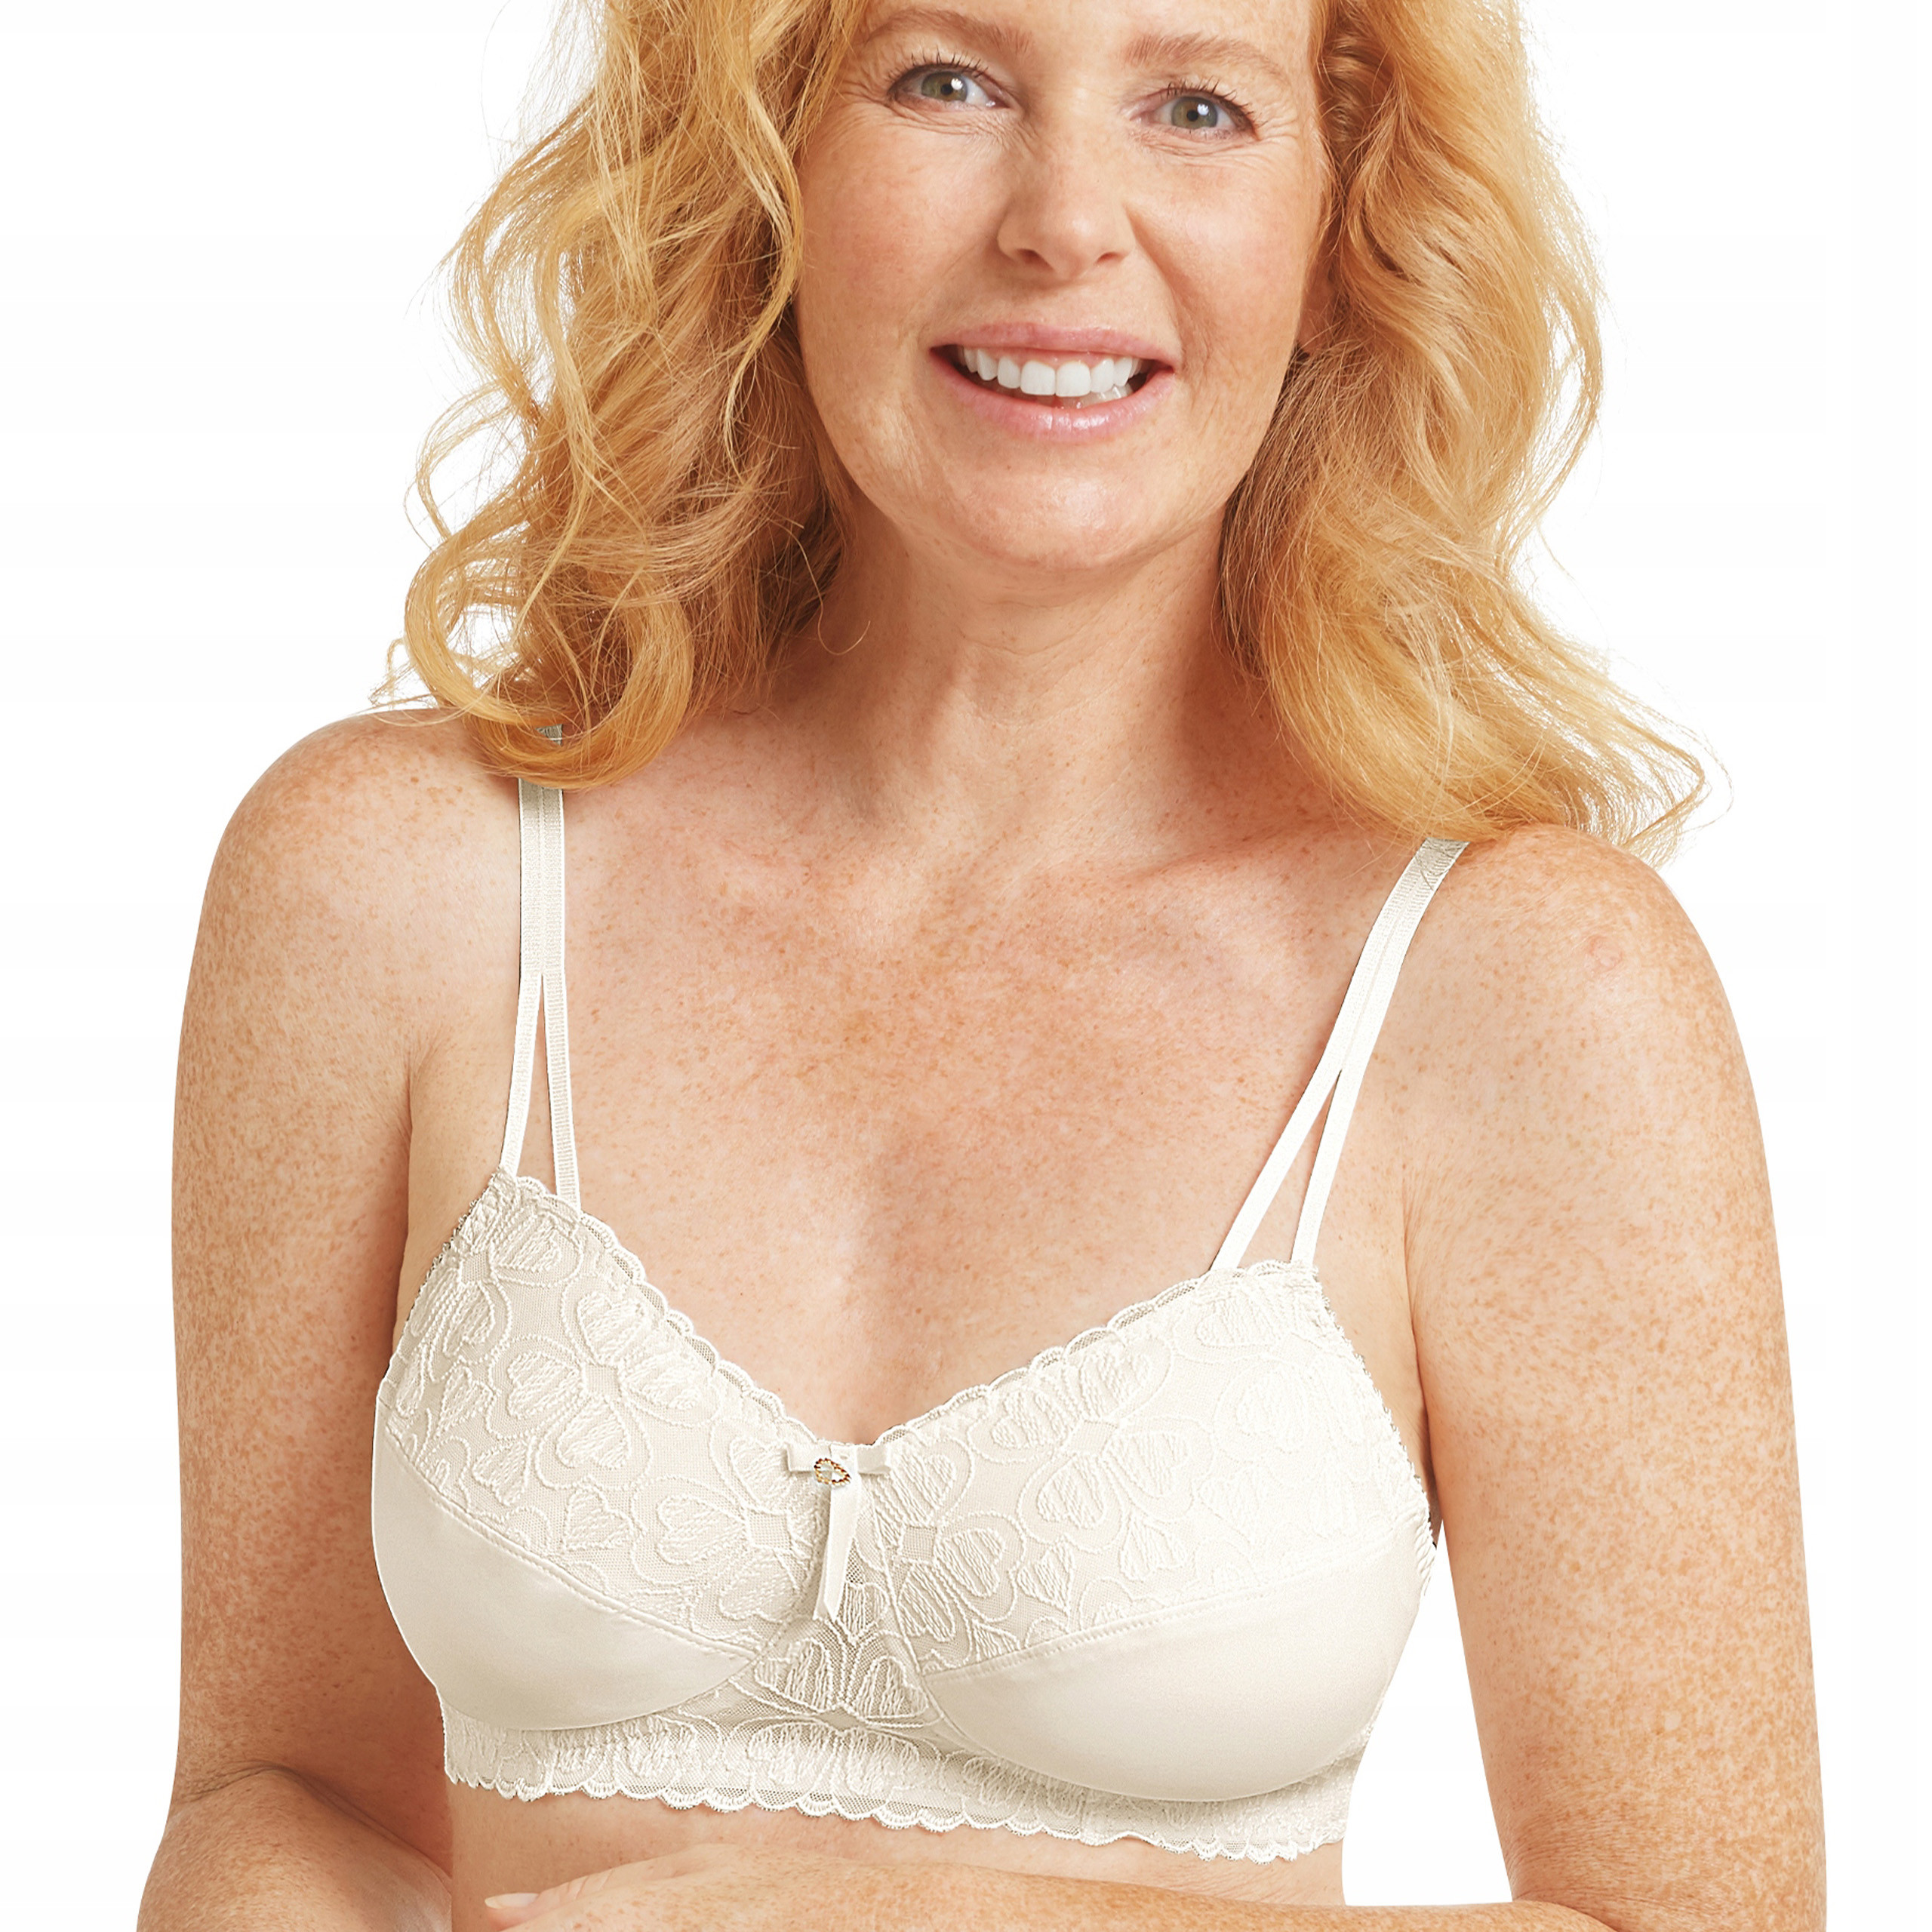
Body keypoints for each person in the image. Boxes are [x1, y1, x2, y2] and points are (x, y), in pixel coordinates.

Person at [139, 0, 1824, 1927]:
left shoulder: (1520, 992)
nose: (1064, 221)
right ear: (765, 167)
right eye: (945, 80)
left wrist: (921, 1916)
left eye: (1196, 106)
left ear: (1336, 227)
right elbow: (276, 1792)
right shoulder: (393, 886)